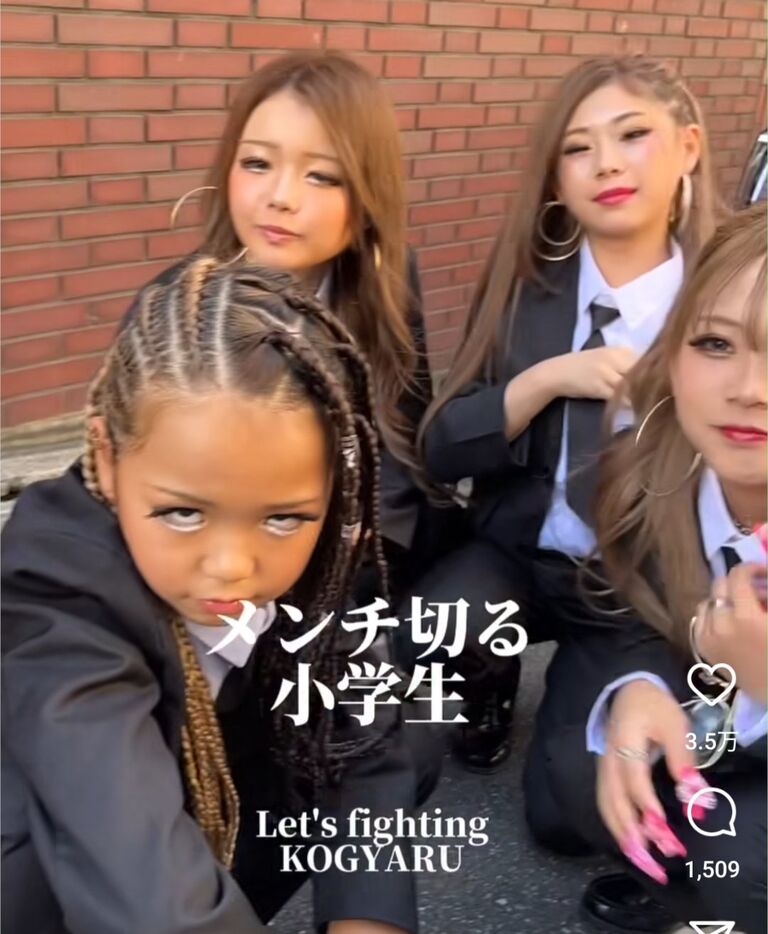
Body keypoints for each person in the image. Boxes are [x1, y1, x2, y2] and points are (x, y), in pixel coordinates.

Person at [2, 260, 440, 934]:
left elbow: (368, 748)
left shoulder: (322, 544)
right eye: (182, 513)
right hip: (86, 849)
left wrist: (365, 922)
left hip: (211, 804)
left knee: (394, 736)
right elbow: (136, 865)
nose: (232, 567)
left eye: (283, 518)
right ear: (108, 459)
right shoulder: (56, 579)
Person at [401, 56, 717, 809]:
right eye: (577, 147)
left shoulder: (726, 301)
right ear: (556, 179)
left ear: (688, 148)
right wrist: (545, 380)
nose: (605, 163)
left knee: (571, 809)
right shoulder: (527, 288)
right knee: (422, 635)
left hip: (637, 593)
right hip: (518, 556)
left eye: (632, 134)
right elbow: (441, 445)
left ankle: (597, 695)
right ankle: (488, 679)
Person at [148, 49, 451, 603]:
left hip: (365, 568)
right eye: (257, 164)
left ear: (369, 195)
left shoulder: (388, 276)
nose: (280, 198)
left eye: (322, 176)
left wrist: (371, 542)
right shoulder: (174, 310)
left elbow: (403, 424)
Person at [547, 204, 766, 933]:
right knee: (578, 774)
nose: (749, 388)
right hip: (710, 735)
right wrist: (637, 688)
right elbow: (628, 611)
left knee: (738, 857)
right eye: (715, 342)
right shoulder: (647, 470)